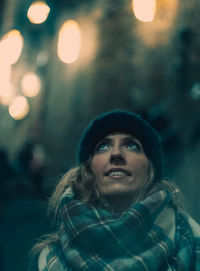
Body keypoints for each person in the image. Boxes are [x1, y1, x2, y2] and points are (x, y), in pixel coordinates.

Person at [29, 110, 200, 271]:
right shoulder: (48, 258)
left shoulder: (191, 240)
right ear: (89, 169)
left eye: (132, 146)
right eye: (103, 147)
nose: (116, 154)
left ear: (150, 168)